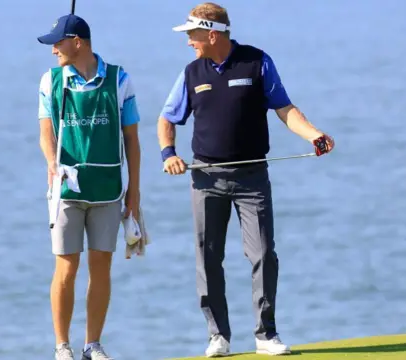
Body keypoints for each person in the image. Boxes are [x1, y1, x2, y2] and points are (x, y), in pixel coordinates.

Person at [157, 2, 334, 357]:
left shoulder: (257, 62)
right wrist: (169, 154)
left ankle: (265, 335)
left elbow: (284, 108)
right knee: (208, 258)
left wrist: (314, 134)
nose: (188, 41)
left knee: (264, 253)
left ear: (212, 33)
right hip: (206, 178)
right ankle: (217, 336)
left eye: (192, 34)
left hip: (252, 178)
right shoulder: (192, 73)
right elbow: (167, 119)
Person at [37, 13, 142, 360]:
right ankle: (62, 346)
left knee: (101, 267)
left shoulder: (119, 78)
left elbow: (132, 139)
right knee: (66, 267)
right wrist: (53, 165)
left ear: (77, 42)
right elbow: (46, 134)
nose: (54, 50)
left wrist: (134, 192)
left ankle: (92, 345)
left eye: (58, 42)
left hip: (108, 188)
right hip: (66, 190)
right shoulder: (50, 81)